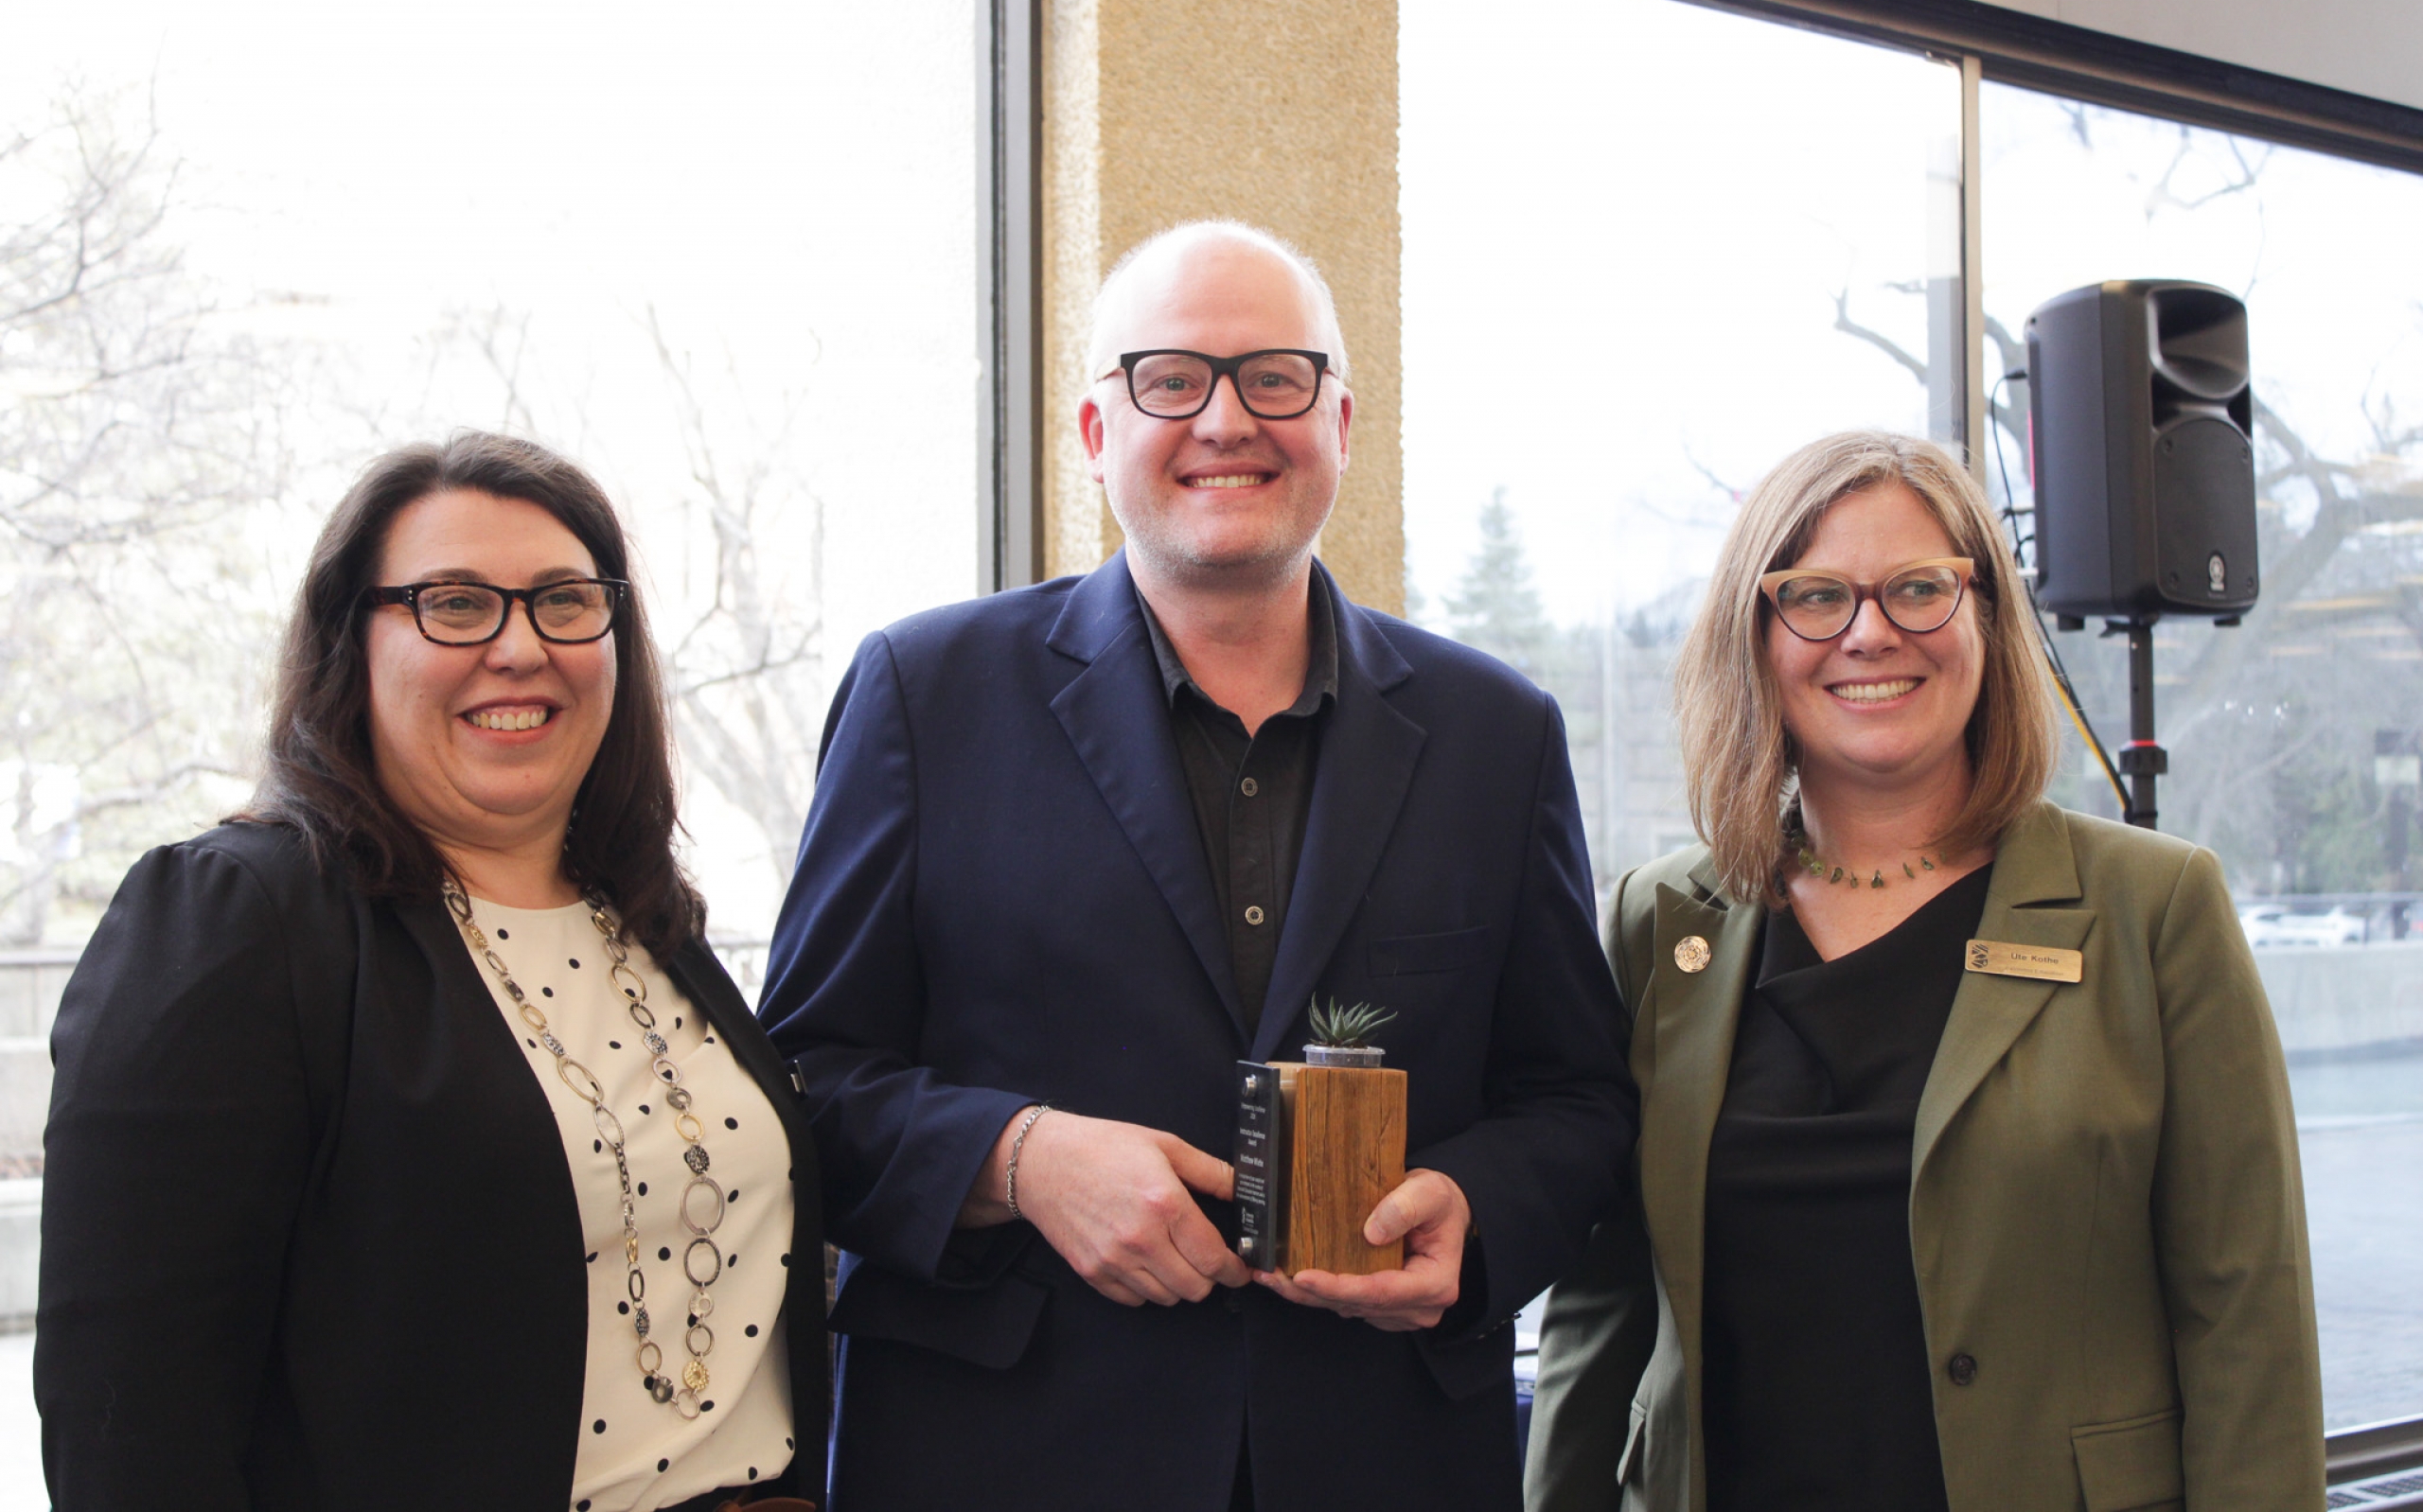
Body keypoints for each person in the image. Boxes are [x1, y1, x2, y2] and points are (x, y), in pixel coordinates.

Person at [758, 221, 1636, 1512]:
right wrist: (1017, 1157)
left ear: (1341, 418)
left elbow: (1577, 1100)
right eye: (1170, 378)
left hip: (1382, 1456)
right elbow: (799, 1082)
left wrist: (1474, 1209)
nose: (1227, 418)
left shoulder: (1496, 731)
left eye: (1274, 377)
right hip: (1000, 1455)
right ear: (1095, 429)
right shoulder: (924, 693)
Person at [1524, 431, 2323, 1512]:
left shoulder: (2152, 909)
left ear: (1985, 617)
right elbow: (1603, 1303)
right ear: (1754, 636)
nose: (1869, 633)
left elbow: (2246, 1315)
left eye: (1918, 588)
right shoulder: (1655, 924)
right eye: (1813, 596)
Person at [39, 433, 826, 1512]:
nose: (519, 648)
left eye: (564, 601)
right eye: (454, 603)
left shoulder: (644, 916)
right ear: (348, 640)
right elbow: (132, 1418)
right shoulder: (238, 920)